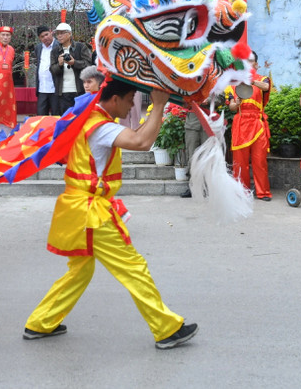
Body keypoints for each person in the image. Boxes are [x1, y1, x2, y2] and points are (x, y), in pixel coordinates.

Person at [23, 77, 198, 350]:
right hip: (91, 212)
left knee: (80, 271)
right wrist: (159, 105)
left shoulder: (91, 119)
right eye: (130, 100)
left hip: (77, 208)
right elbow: (141, 142)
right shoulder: (101, 127)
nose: (131, 107)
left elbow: (138, 137)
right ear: (115, 99)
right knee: (133, 267)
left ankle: (40, 322)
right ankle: (166, 328)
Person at [228, 51, 272, 201]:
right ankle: (241, 191)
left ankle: (263, 192)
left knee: (260, 160)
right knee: (240, 161)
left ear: (256, 64)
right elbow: (231, 107)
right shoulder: (234, 84)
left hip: (257, 122)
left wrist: (251, 80)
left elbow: (266, 87)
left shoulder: (262, 79)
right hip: (240, 122)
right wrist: (237, 103)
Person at [50, 23, 92, 114]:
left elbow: (88, 65)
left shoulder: (80, 47)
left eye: (62, 33)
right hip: (62, 92)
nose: (59, 36)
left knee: (79, 118)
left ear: (69, 34)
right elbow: (52, 70)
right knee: (65, 119)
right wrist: (59, 64)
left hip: (79, 90)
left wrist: (74, 63)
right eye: (57, 34)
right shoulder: (54, 51)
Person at [34, 25, 58, 115]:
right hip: (42, 89)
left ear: (51, 32)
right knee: (41, 117)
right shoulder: (38, 48)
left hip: (55, 89)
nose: (45, 38)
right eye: (42, 37)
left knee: (56, 116)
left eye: (46, 34)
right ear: (39, 38)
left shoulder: (59, 45)